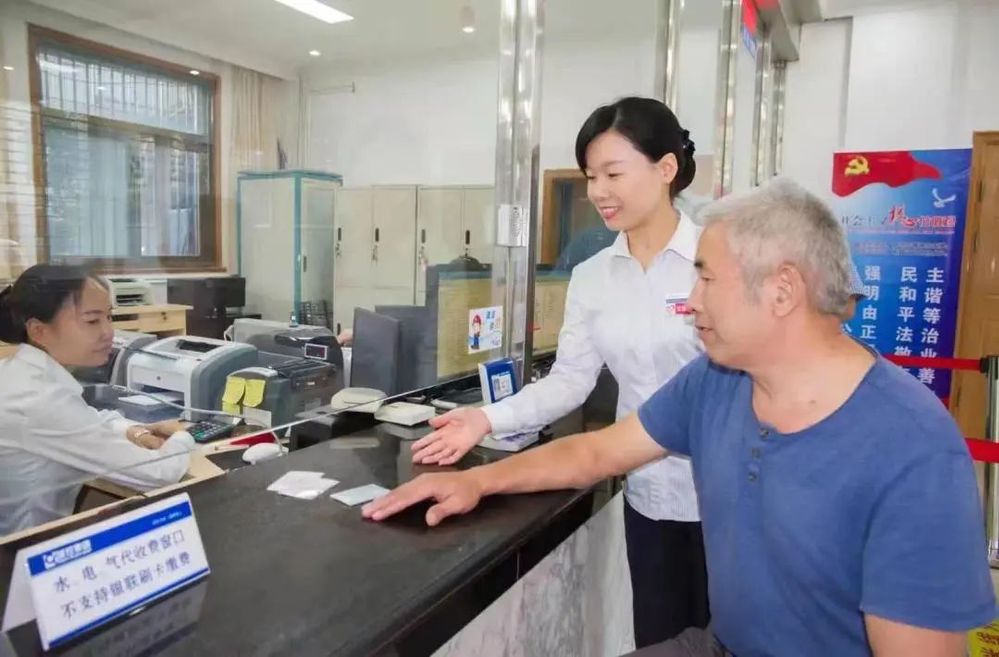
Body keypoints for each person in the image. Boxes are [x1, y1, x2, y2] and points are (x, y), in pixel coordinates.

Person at [365, 178, 995, 656]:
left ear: (782, 290)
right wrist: (477, 481)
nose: (690, 304)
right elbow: (597, 452)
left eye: (706, 281)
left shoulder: (910, 447)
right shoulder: (716, 382)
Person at [410, 97, 709, 646]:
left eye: (614, 173)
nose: (598, 191)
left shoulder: (714, 261)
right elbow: (571, 380)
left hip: (728, 500)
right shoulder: (593, 277)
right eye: (591, 176)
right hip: (647, 496)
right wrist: (486, 420)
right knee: (660, 641)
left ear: (666, 168)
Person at [0, 264, 194, 536]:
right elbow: (158, 474)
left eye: (109, 317)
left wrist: (132, 430)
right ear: (39, 331)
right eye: (92, 321)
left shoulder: (19, 373)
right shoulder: (39, 400)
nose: (108, 332)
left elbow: (85, 419)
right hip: (22, 551)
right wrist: (183, 436)